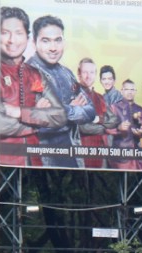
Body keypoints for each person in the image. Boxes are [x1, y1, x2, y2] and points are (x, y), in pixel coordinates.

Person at [0, 6, 67, 168]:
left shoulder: (36, 74)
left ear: (28, 38)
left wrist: (19, 112)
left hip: (34, 161)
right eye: (5, 33)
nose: (12, 40)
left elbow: (60, 116)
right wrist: (38, 119)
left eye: (18, 33)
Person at [28, 14, 99, 168]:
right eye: (46, 41)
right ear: (34, 43)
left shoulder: (67, 73)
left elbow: (91, 111)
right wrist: (73, 109)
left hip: (73, 155)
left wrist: (60, 111)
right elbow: (35, 121)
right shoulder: (26, 72)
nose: (53, 48)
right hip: (41, 159)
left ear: (63, 42)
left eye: (58, 40)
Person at [76, 58, 117, 168]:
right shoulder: (74, 95)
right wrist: (105, 128)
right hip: (82, 151)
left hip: (102, 151)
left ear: (95, 75)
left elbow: (113, 120)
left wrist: (98, 119)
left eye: (91, 72)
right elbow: (82, 127)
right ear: (78, 74)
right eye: (85, 72)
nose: (88, 76)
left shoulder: (100, 97)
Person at [107, 79, 142, 169]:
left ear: (135, 92)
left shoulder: (139, 109)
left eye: (132, 90)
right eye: (127, 89)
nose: (129, 92)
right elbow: (106, 127)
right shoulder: (114, 107)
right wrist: (119, 128)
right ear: (122, 91)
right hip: (121, 152)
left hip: (137, 152)